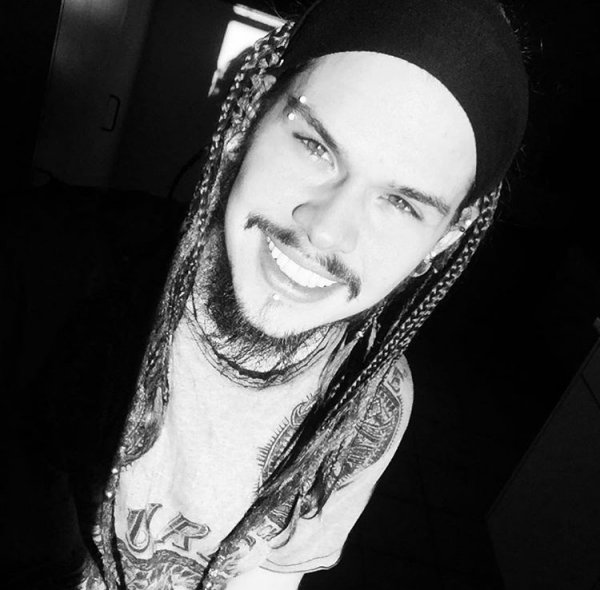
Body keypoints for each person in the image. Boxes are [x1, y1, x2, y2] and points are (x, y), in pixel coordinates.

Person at [3, 0, 528, 589]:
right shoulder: (49, 271)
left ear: (444, 240)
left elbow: (268, 577)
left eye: (402, 203)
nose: (326, 230)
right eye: (315, 146)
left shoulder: (369, 402)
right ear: (251, 115)